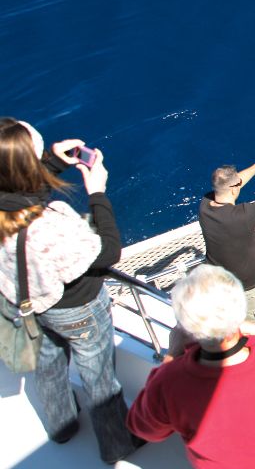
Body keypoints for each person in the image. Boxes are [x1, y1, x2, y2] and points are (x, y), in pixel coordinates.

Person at [0, 118, 139, 464]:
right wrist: (97, 194)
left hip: (27, 306)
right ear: (25, 167)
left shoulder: (12, 211)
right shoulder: (52, 222)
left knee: (47, 365)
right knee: (98, 378)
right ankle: (116, 445)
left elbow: (17, 197)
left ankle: (61, 427)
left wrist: (53, 162)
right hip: (78, 310)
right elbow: (107, 252)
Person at [127, 264, 255, 469]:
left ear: (186, 327)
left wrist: (172, 354)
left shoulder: (170, 382)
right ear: (240, 312)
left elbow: (144, 427)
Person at [199, 156, 255, 325]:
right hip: (249, 289)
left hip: (220, 285)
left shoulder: (205, 205)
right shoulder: (242, 216)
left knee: (233, 324)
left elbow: (232, 183)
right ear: (234, 190)